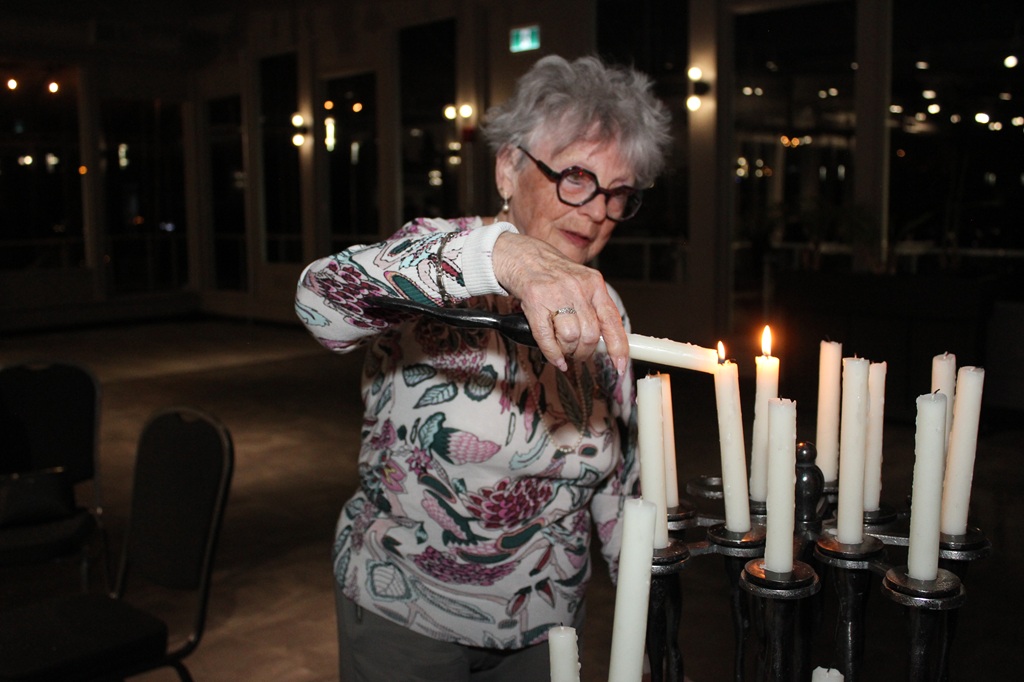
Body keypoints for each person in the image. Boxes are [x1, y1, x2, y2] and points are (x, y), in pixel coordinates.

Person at [295, 54, 672, 681]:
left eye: (618, 193)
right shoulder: (437, 258)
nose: (596, 211)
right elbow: (318, 303)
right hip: (404, 614)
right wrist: (504, 260)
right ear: (508, 167)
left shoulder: (604, 308)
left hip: (547, 627)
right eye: (576, 177)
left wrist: (652, 624)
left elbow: (618, 485)